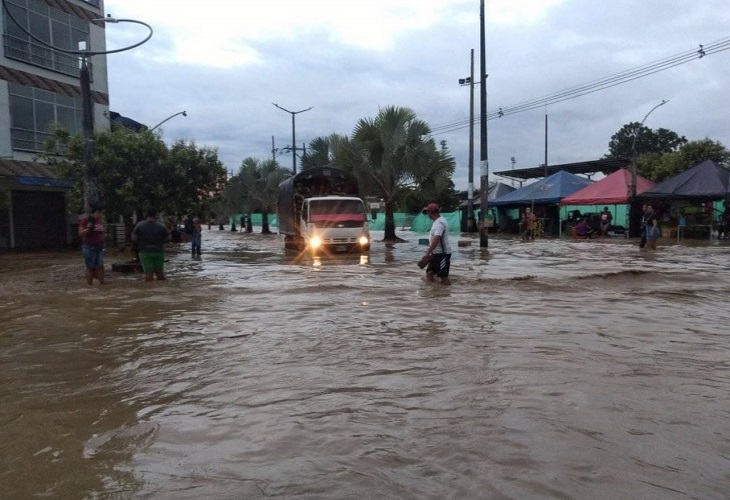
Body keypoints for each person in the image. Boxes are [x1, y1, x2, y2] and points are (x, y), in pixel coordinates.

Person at [132, 208, 171, 281]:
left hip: (144, 251)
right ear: (155, 215)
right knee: (160, 273)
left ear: (146, 215)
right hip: (158, 251)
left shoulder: (139, 225)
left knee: (148, 273)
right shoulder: (161, 226)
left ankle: (150, 290)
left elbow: (134, 238)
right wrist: (161, 241)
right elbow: (168, 238)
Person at [421, 203, 452, 286]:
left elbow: (437, 238)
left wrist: (428, 252)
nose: (427, 214)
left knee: (443, 276)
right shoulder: (437, 221)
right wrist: (431, 253)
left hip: (442, 254)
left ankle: (447, 293)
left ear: (430, 213)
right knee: (429, 273)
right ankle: (434, 292)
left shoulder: (439, 223)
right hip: (436, 253)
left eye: (427, 212)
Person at [78, 204, 106, 285]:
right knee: (90, 267)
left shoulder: (100, 221)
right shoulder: (86, 220)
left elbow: (102, 232)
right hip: (89, 247)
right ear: (97, 212)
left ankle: (102, 284)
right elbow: (80, 233)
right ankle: (90, 285)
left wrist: (104, 237)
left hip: (100, 246)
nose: (101, 215)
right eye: (101, 213)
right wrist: (89, 228)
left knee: (100, 266)